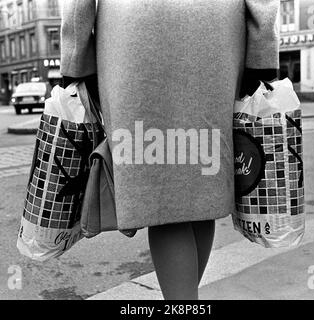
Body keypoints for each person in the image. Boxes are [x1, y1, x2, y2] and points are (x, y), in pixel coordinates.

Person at [60, 0, 280, 300]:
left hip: (135, 28)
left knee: (162, 192)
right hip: (216, 28)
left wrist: (76, 59)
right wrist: (262, 50)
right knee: (203, 180)